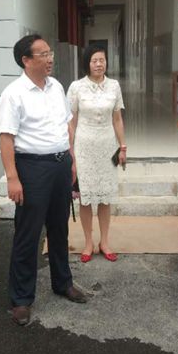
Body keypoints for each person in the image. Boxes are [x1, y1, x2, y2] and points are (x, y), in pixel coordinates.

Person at [0, 34, 88, 327]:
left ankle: (63, 283)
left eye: (50, 53)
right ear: (26, 60)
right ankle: (21, 299)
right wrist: (12, 177)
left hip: (60, 165)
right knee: (29, 233)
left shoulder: (56, 87)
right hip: (32, 168)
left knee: (59, 228)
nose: (50, 59)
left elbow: (66, 125)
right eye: (43, 54)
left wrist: (72, 160)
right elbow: (6, 138)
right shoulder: (13, 94)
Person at [67, 45, 126, 263]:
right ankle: (88, 242)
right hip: (84, 147)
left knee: (104, 197)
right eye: (94, 60)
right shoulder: (76, 87)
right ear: (87, 63)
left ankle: (105, 242)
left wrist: (123, 146)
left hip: (107, 147)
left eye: (102, 60)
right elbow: (71, 122)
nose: (99, 64)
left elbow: (117, 119)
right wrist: (70, 151)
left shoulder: (114, 86)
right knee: (85, 198)